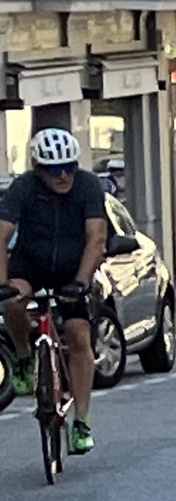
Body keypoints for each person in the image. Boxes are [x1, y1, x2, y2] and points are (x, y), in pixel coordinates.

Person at [1, 128, 110, 455]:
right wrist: (2, 283)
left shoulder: (88, 186)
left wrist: (81, 281)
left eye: (69, 167)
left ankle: (81, 421)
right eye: (53, 169)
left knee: (78, 336)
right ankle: (22, 356)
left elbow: (97, 239)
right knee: (14, 301)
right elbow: (1, 234)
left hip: (71, 268)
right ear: (38, 169)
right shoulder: (23, 188)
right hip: (30, 264)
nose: (63, 175)